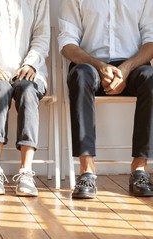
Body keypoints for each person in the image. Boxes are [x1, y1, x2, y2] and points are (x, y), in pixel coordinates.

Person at [59, 0, 153, 199]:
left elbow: (151, 40)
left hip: (132, 64)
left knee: (151, 79)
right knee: (80, 75)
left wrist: (126, 69)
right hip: (90, 63)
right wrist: (99, 66)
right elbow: (67, 44)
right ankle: (86, 171)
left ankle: (139, 169)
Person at [0, 0, 50, 196]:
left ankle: (26, 172)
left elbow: (42, 35)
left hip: (30, 71)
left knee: (28, 91)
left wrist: (30, 64)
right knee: (1, 89)